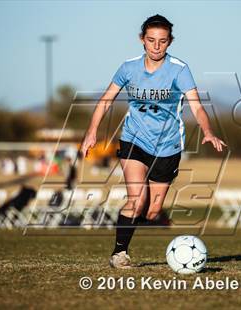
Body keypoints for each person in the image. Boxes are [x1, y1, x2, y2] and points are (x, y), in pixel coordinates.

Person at [81, 14, 226, 268]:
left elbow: (197, 107)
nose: (156, 46)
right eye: (151, 40)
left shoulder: (179, 69)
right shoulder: (128, 67)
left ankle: (147, 214)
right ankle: (119, 253)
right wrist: (92, 132)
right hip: (134, 140)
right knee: (135, 200)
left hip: (167, 146)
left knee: (151, 211)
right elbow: (105, 100)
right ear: (142, 40)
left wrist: (208, 131)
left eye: (162, 41)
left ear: (170, 42)